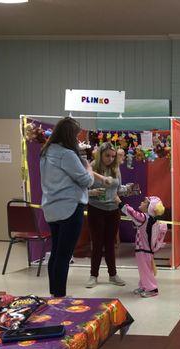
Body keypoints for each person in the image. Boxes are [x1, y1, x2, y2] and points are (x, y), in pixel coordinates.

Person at [40, 117, 111, 298]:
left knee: (56, 252)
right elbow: (86, 180)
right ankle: (60, 297)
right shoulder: (67, 154)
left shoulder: (46, 152)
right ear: (69, 135)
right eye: (76, 135)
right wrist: (87, 166)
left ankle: (54, 294)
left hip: (51, 207)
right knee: (64, 254)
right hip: (70, 208)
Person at [86, 142, 127, 288]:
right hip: (96, 209)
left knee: (110, 244)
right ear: (100, 155)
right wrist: (92, 193)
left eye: (112, 156)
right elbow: (81, 188)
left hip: (113, 211)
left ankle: (113, 275)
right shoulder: (91, 167)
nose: (110, 159)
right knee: (97, 243)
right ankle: (93, 275)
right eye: (107, 156)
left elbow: (119, 188)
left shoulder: (116, 168)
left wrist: (128, 189)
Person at [117, 196, 167, 297]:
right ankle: (144, 285)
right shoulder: (150, 219)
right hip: (143, 250)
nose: (141, 202)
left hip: (144, 250)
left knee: (145, 269)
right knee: (144, 269)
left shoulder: (145, 218)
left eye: (144, 202)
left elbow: (132, 213)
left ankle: (152, 288)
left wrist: (120, 203)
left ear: (150, 207)